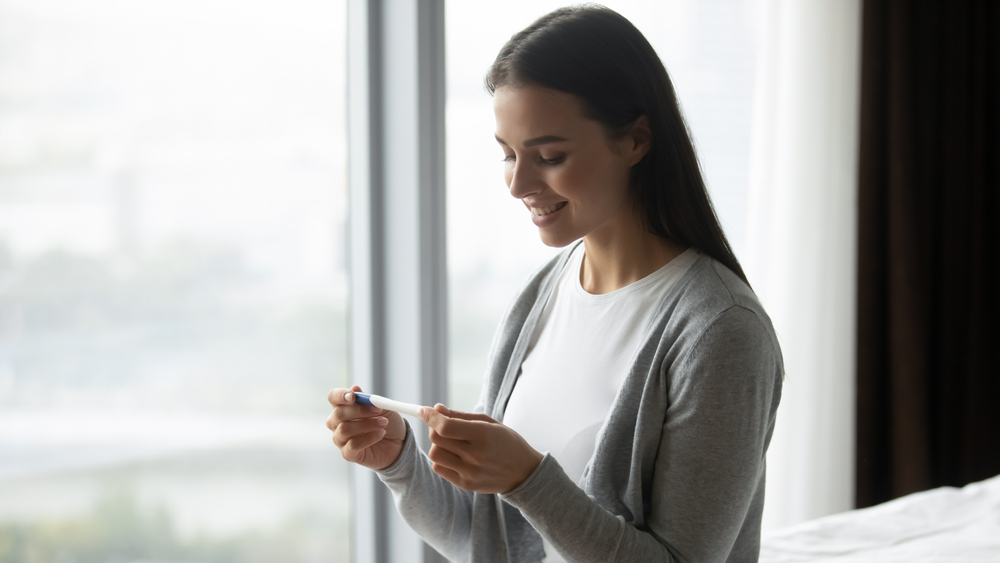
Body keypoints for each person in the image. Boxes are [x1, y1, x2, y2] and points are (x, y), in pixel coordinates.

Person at [326, 5, 783, 562]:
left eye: (549, 156)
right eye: (507, 154)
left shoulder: (720, 331)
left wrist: (526, 479)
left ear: (636, 140)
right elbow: (490, 542)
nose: (518, 183)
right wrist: (399, 462)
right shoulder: (541, 297)